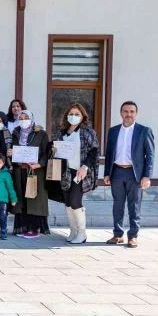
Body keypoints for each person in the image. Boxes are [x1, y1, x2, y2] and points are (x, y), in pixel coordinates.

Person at [103, 101, 155, 248]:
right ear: (121, 113)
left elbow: (150, 155)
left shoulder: (144, 131)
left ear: (136, 113)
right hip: (117, 171)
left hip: (135, 173)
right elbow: (109, 154)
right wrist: (107, 173)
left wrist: (147, 176)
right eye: (125, 111)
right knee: (117, 205)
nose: (128, 114)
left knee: (134, 205)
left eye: (132, 111)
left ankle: (133, 236)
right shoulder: (113, 131)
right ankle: (118, 235)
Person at [51, 103, 99, 245]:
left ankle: (82, 233)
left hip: (80, 172)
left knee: (75, 201)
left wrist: (85, 167)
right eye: (71, 114)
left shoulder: (87, 131)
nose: (73, 116)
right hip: (66, 172)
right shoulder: (63, 132)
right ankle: (73, 230)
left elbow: (94, 151)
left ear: (83, 116)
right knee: (67, 202)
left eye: (77, 114)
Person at [10, 110, 50, 238]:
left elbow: (46, 153)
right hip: (19, 170)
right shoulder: (15, 133)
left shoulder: (41, 134)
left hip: (34, 171)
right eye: (20, 118)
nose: (23, 120)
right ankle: (23, 227)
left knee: (33, 199)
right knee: (21, 199)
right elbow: (12, 150)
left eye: (26, 117)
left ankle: (35, 229)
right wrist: (10, 153)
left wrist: (39, 164)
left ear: (32, 119)